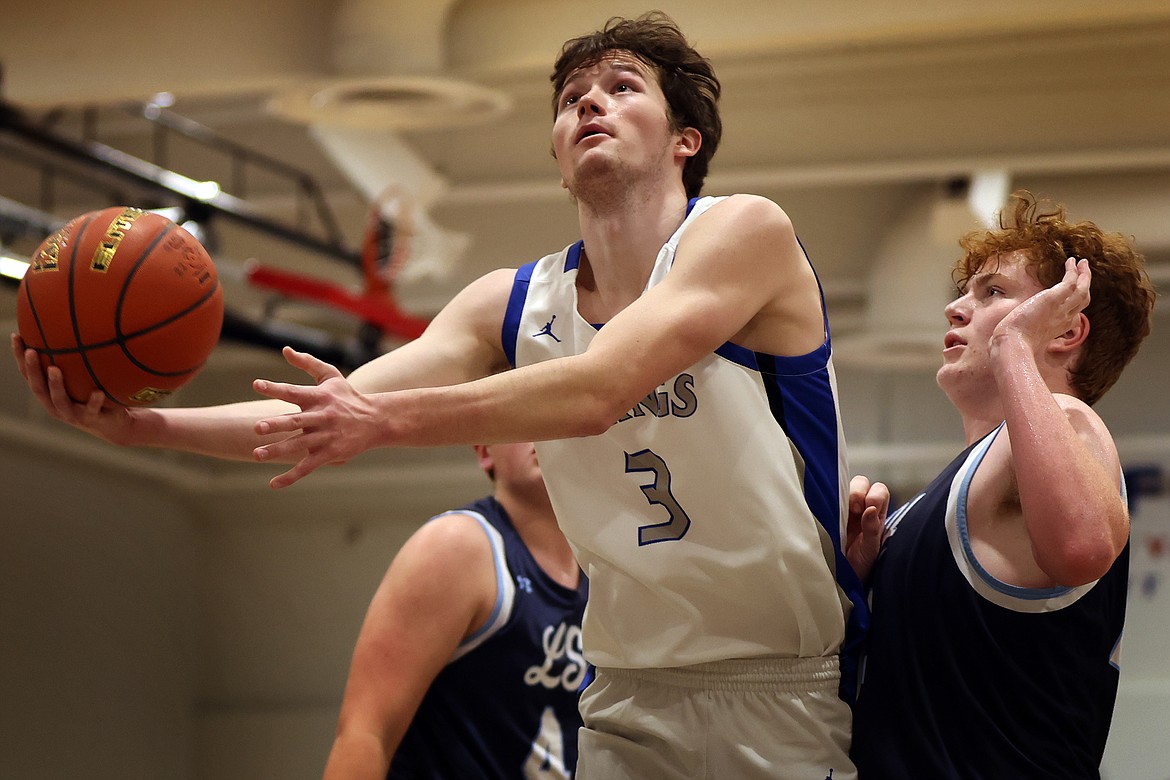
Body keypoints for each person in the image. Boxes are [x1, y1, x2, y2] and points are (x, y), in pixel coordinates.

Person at [14, 13, 865, 779]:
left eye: (621, 87)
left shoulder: (744, 232)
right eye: (571, 99)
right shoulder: (512, 302)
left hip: (778, 682)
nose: (590, 106)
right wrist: (144, 426)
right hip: (625, 697)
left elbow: (601, 389)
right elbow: (312, 416)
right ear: (560, 160)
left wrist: (380, 421)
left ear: (686, 139)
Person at [846, 190, 1156, 778]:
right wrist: (860, 585)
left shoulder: (1071, 419)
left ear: (1064, 331)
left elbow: (1083, 546)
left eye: (993, 293)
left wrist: (1016, 344)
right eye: (964, 292)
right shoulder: (930, 503)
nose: (954, 309)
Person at [322, 442, 588, 780]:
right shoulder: (457, 545)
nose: (542, 433)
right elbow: (365, 734)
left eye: (556, 415)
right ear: (484, 452)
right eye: (523, 418)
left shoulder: (607, 566)